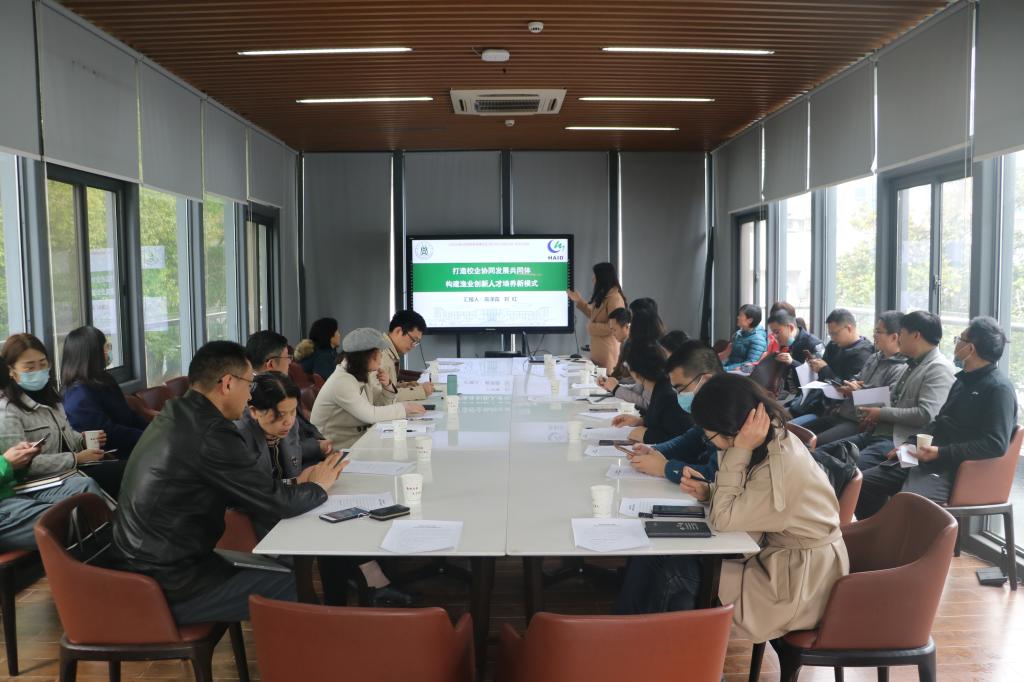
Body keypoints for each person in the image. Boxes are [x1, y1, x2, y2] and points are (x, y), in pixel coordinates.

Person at [109, 341, 345, 625]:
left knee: (286, 572)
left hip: (147, 564)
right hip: (166, 583)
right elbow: (276, 501)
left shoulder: (177, 414)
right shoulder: (211, 433)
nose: (250, 395)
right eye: (249, 384)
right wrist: (317, 486)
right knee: (290, 586)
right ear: (228, 384)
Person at [616, 375, 849, 647]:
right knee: (658, 557)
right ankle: (629, 639)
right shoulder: (772, 439)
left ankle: (636, 645)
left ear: (734, 430)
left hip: (794, 586)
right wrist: (710, 491)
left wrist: (738, 451)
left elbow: (724, 519)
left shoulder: (776, 463)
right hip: (778, 562)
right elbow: (753, 502)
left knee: (670, 567)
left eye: (710, 434)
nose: (708, 440)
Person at [855, 317, 1017, 519]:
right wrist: (910, 443)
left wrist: (940, 453)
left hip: (955, 469)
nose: (956, 343)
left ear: (971, 349)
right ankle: (878, 533)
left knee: (907, 503)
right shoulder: (962, 380)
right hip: (928, 458)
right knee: (862, 482)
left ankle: (899, 536)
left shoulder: (998, 389)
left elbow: (995, 444)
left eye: (960, 339)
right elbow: (939, 422)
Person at [833, 311, 955, 471]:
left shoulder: (938, 368)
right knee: (822, 456)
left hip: (899, 441)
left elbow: (926, 414)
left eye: (902, 333)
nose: (899, 338)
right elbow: (894, 400)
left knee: (842, 470)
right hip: (876, 433)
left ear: (916, 335)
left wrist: (880, 413)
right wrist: (875, 415)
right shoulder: (912, 364)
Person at [0, 334, 109, 492]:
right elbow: (20, 463)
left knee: (125, 470)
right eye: (29, 367)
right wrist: (75, 458)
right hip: (35, 483)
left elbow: (64, 433)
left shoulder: (51, 396)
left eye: (43, 364)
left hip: (66, 472)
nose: (39, 371)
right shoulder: (7, 409)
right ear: (10, 370)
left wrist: (82, 440)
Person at [799, 311, 908, 446]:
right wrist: (849, 385)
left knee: (812, 444)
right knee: (795, 434)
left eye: (878, 332)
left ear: (894, 337)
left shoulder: (902, 367)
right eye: (875, 331)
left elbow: (888, 404)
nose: (874, 336)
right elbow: (857, 379)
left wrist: (858, 392)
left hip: (858, 422)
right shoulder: (875, 357)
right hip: (842, 413)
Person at [625, 341, 724, 482]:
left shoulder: (732, 410)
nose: (679, 396)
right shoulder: (710, 408)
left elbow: (715, 474)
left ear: (705, 380)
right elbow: (692, 439)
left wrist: (664, 468)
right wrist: (656, 451)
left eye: (681, 389)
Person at [310, 328, 425, 449]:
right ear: (368, 356)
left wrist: (387, 387)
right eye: (379, 352)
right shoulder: (341, 381)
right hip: (333, 449)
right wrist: (404, 408)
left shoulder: (360, 373)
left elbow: (379, 406)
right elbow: (370, 415)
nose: (381, 356)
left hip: (356, 441)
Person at [61, 326, 149, 457]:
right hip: (111, 455)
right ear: (92, 353)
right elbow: (108, 433)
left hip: (132, 445)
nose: (108, 351)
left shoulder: (104, 379)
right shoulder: (78, 394)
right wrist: (148, 438)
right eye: (105, 347)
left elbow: (128, 416)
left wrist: (153, 430)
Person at [0, 440, 103, 552]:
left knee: (85, 487)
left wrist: (21, 463)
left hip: (10, 491)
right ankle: (93, 553)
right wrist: (5, 463)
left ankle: (102, 546)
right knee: (61, 519)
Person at [246, 331, 332, 464]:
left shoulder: (284, 386)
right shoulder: (252, 396)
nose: (290, 362)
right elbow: (282, 446)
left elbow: (301, 427)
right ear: (271, 364)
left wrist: (320, 441)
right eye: (287, 358)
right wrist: (317, 446)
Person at [789, 308, 873, 421]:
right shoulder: (834, 345)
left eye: (835, 334)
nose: (832, 338)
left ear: (849, 328)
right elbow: (824, 373)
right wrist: (816, 366)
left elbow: (847, 388)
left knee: (791, 423)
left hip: (837, 410)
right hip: (819, 401)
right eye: (830, 334)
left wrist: (824, 369)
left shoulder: (863, 354)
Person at [610, 343, 692, 443]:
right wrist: (640, 421)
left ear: (636, 373)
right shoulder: (659, 387)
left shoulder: (668, 395)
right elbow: (661, 421)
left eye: (627, 366)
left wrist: (647, 436)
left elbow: (680, 438)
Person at [567, 262, 626, 370]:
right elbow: (595, 316)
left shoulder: (614, 298)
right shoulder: (604, 296)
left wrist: (591, 327)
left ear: (603, 278)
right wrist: (579, 301)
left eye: (595, 276)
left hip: (608, 353)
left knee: (606, 379)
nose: (593, 279)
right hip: (598, 352)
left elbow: (615, 327)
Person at [766, 310, 825, 406]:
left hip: (806, 397)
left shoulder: (813, 344)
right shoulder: (787, 343)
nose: (775, 336)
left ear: (790, 327)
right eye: (773, 333)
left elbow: (818, 377)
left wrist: (792, 362)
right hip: (787, 393)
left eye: (777, 332)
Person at [381, 310, 434, 401]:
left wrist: (406, 385)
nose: (413, 346)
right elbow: (379, 397)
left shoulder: (389, 352)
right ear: (398, 331)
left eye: (416, 342)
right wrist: (421, 391)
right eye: (413, 340)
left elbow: (387, 388)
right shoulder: (379, 355)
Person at [721, 304, 768, 371]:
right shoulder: (738, 334)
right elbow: (728, 356)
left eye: (740, 315)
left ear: (750, 320)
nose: (738, 317)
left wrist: (725, 369)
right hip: (729, 369)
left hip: (739, 374)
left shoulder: (758, 339)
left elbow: (750, 364)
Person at [606, 307, 632, 380]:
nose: (613, 333)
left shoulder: (634, 346)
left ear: (626, 327)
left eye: (614, 330)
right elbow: (618, 371)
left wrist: (615, 382)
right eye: (611, 330)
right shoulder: (623, 343)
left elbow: (631, 379)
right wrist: (608, 379)